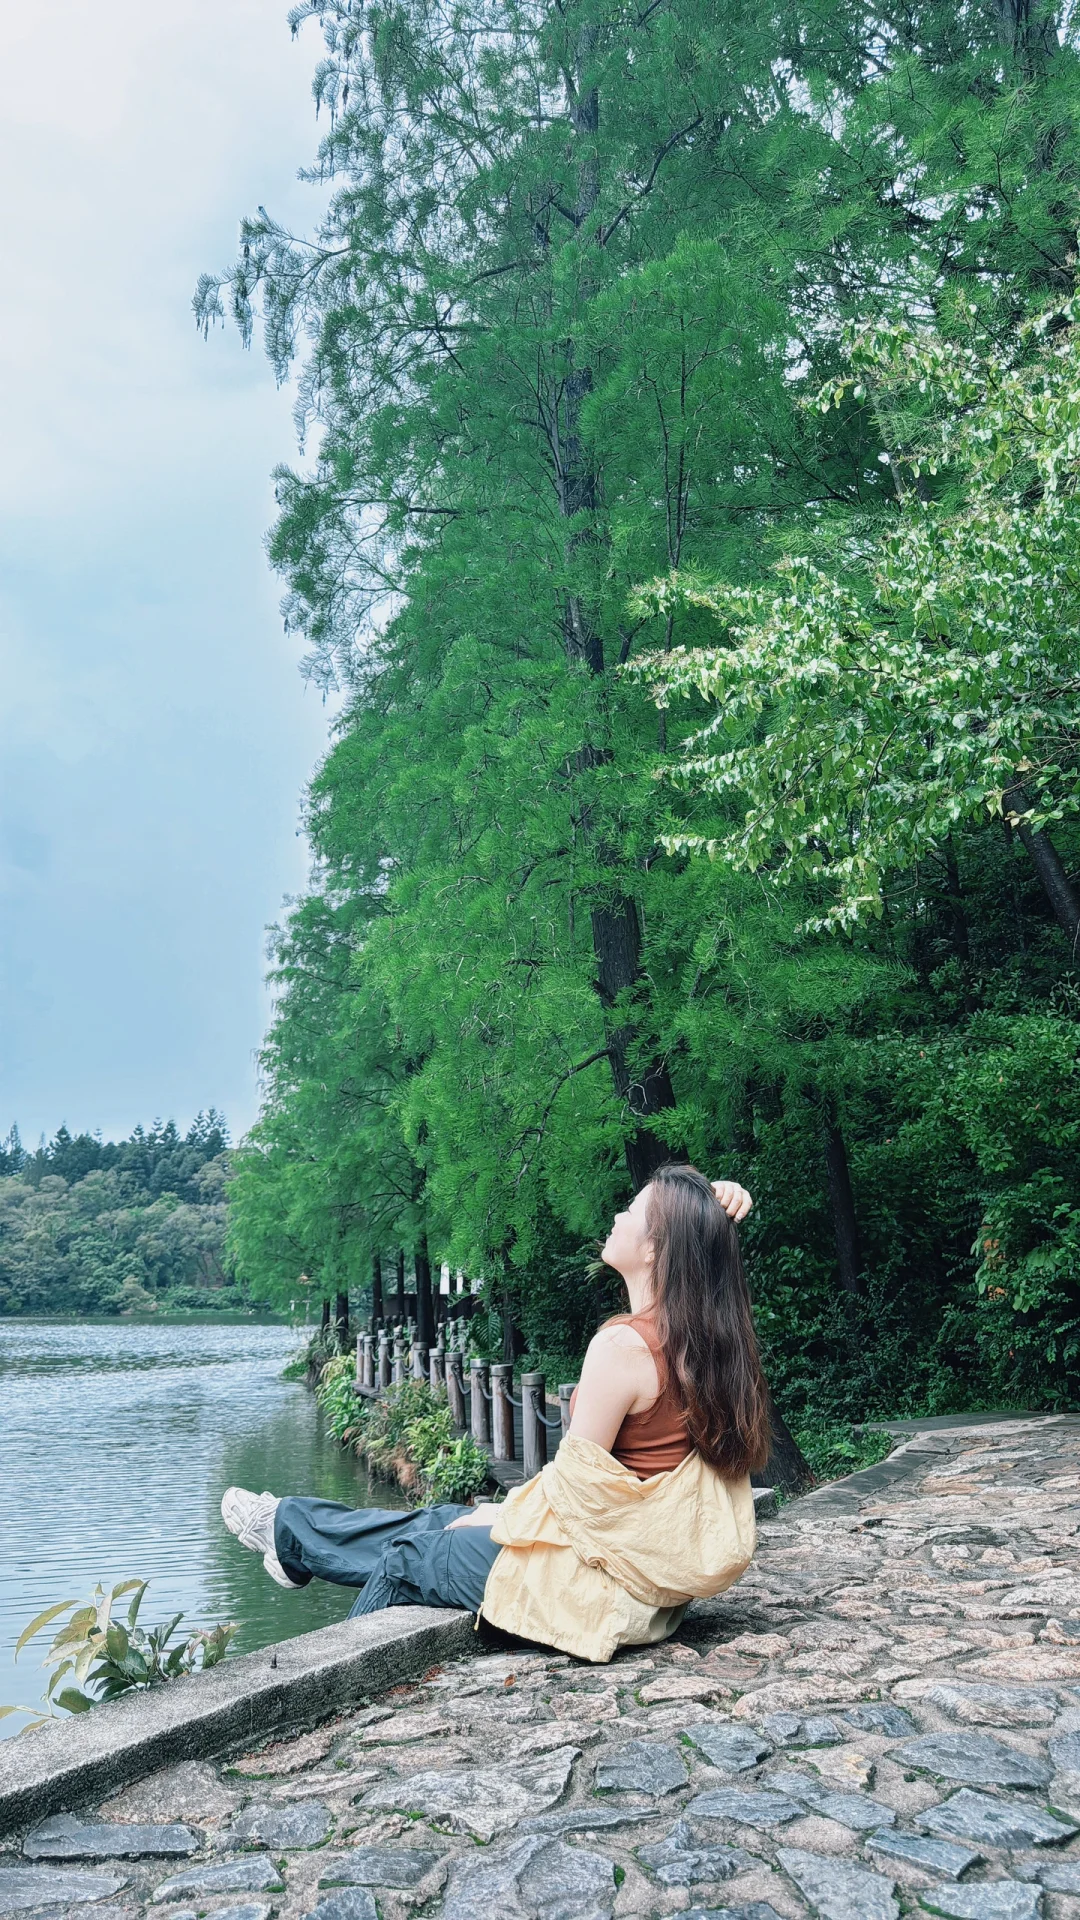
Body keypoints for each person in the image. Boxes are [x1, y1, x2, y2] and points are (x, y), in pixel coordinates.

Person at [221, 1166, 770, 1661]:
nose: (617, 1216)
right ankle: (288, 1532)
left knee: (409, 1557)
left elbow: (578, 1492)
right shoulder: (708, 1339)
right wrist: (714, 1205)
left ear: (655, 1249)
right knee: (439, 1519)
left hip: (600, 1577)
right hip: (639, 1562)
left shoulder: (624, 1345)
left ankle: (327, 1693)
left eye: (631, 1210)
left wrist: (500, 1517)